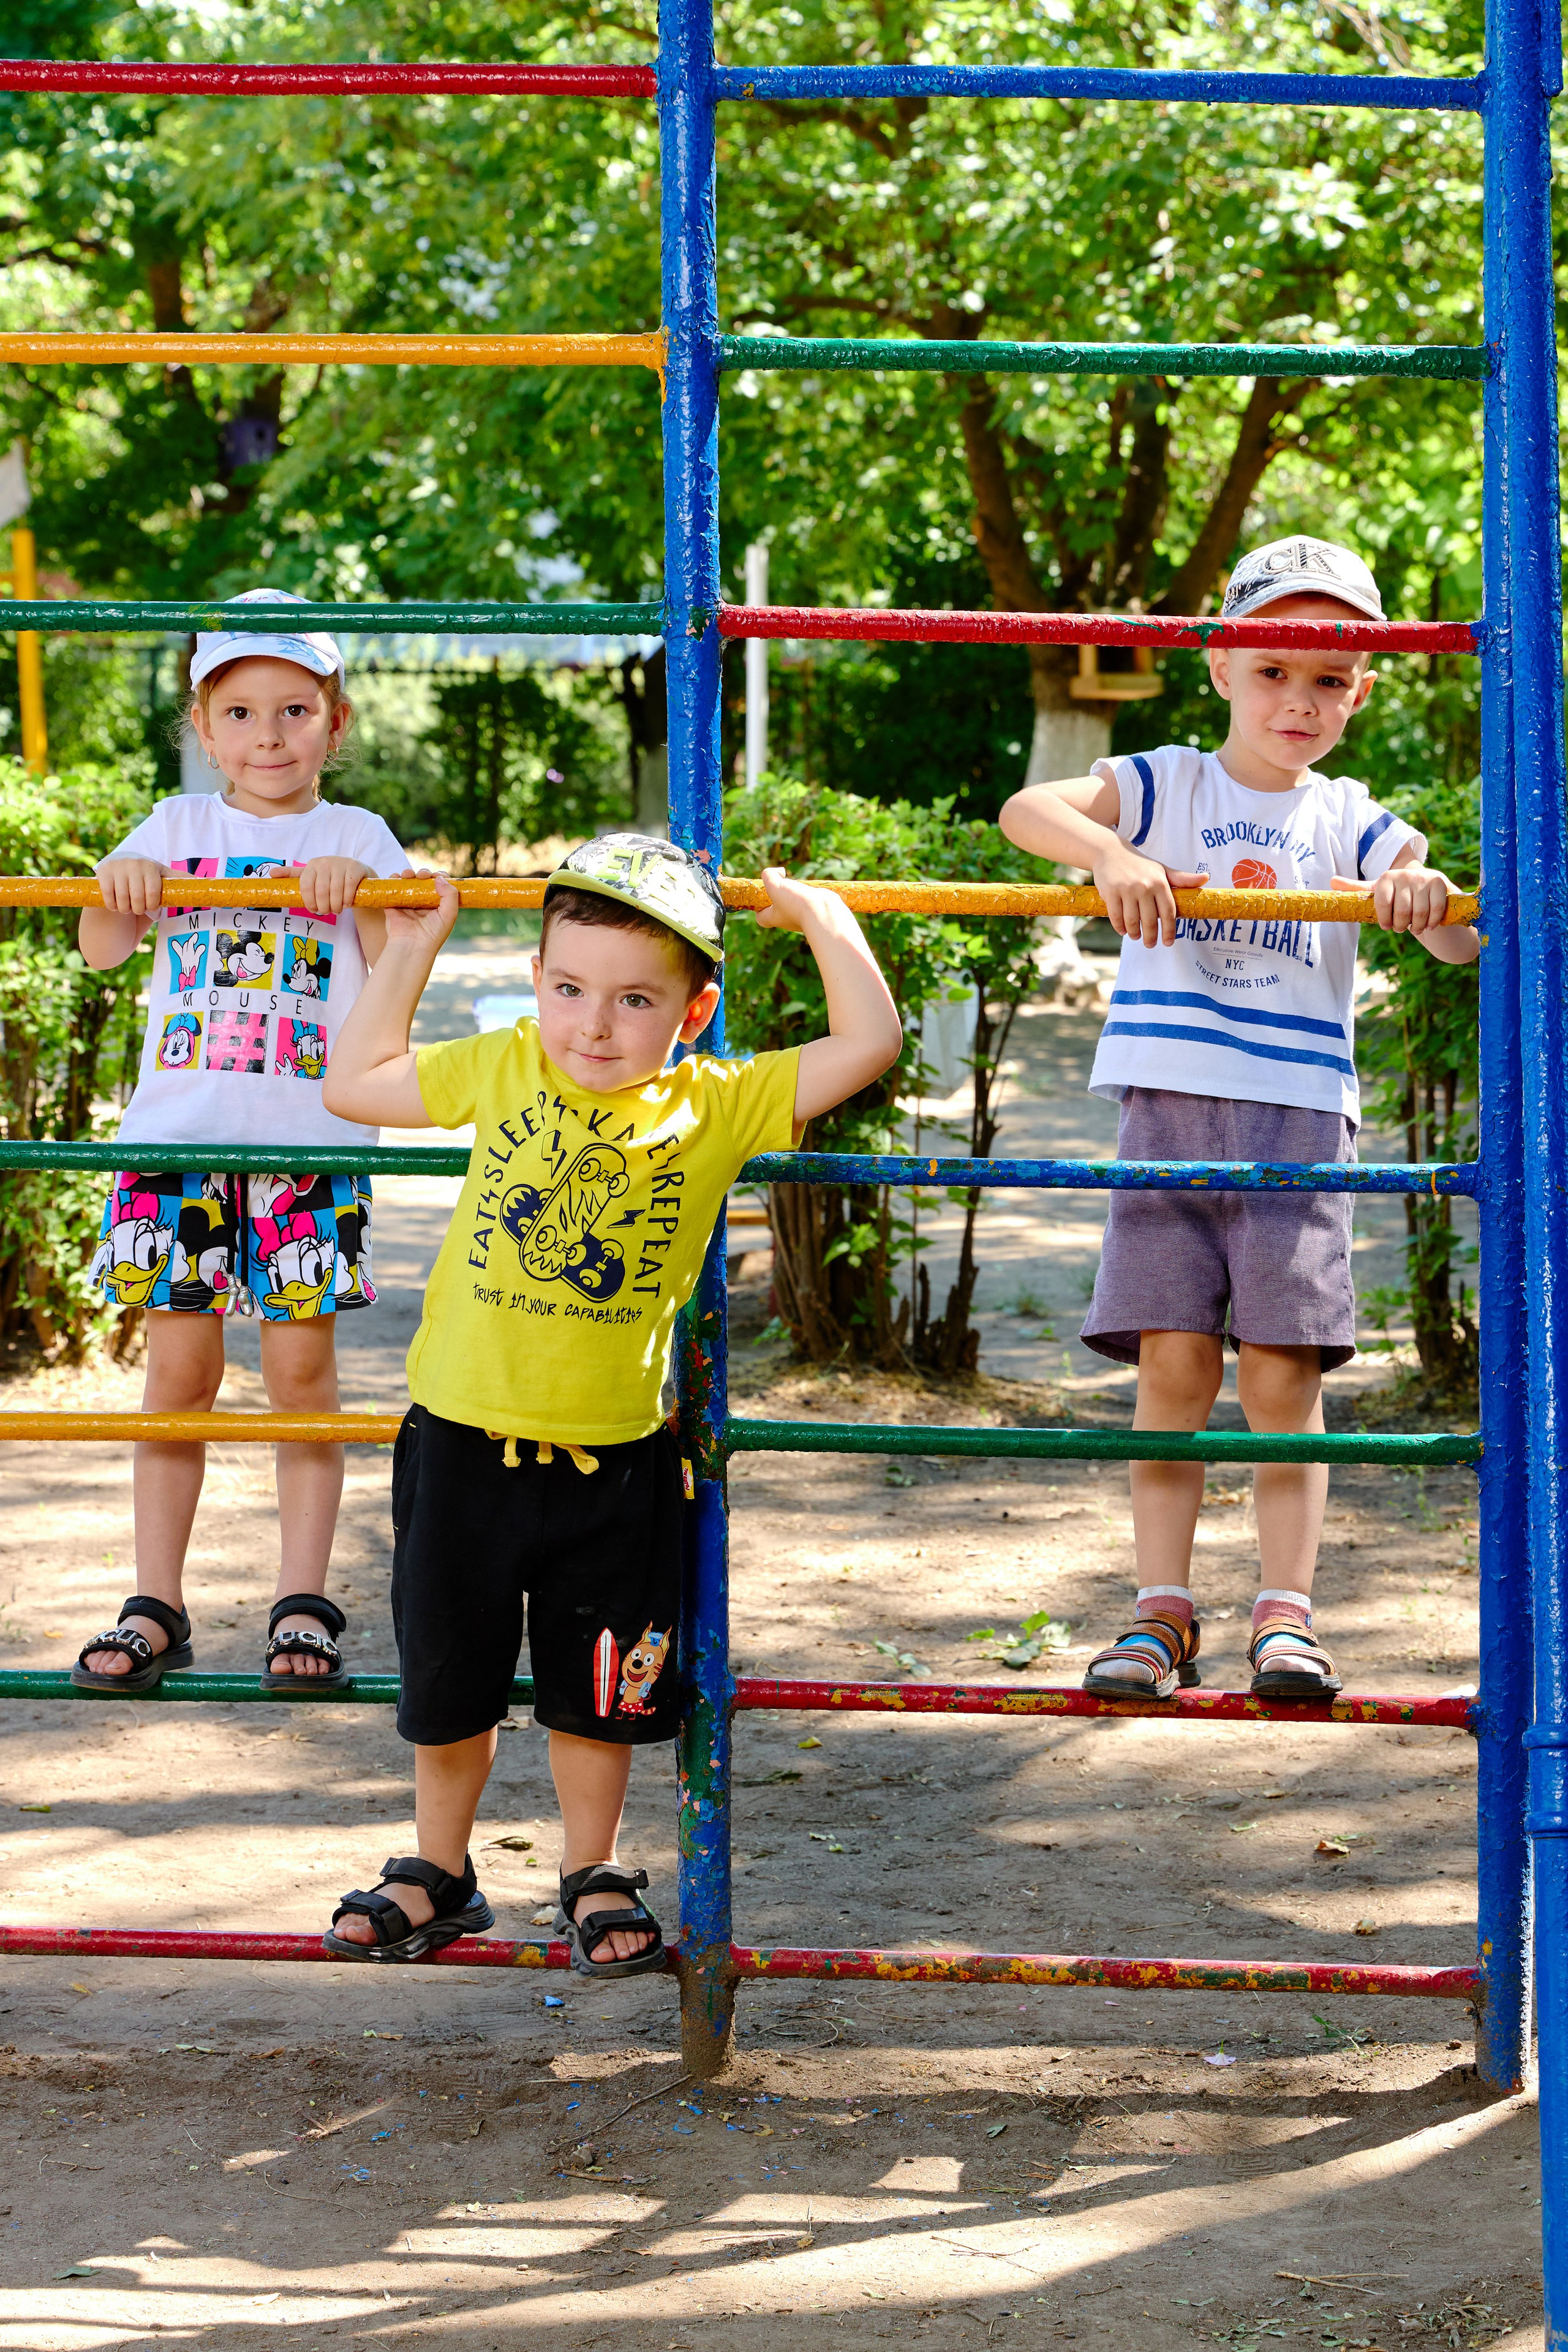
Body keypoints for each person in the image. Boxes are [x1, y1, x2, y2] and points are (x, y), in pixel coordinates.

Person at [317, 832, 902, 1972]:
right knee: (450, 1682)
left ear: (692, 1014)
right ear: (537, 984)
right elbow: (351, 1087)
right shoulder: (502, 1065)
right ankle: (440, 1870)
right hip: (461, 1442)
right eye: (568, 989)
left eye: (634, 1000)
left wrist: (821, 914)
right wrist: (413, 950)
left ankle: (592, 1870)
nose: (592, 1024)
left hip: (617, 1463)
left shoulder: (721, 1101)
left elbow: (869, 1041)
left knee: (604, 1690)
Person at [998, 536, 1479, 1702]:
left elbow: (1462, 935)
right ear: (1219, 665)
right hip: (1168, 1112)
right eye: (1273, 671)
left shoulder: (1355, 817)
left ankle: (1286, 1614)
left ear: (1363, 690)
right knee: (1172, 1363)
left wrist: (1424, 900)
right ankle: (1161, 1611)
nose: (1298, 701)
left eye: (1329, 679)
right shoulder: (1170, 786)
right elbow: (1027, 809)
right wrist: (1111, 853)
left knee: (1280, 1379)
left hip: (1299, 1123)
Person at [72, 589, 410, 1696]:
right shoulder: (173, 831)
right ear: (203, 726)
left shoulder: (357, 838)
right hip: (181, 1138)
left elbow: (404, 959)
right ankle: (154, 1597)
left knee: (303, 1372)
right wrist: (119, 888)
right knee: (180, 1370)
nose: (270, 737)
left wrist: (357, 898)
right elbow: (101, 948)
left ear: (336, 723)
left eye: (297, 712)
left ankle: (302, 1600)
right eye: (243, 714)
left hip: (310, 1145)